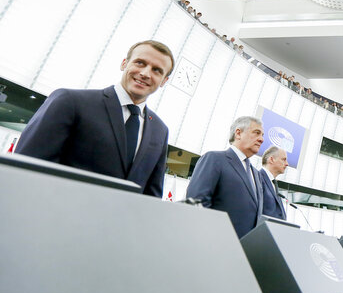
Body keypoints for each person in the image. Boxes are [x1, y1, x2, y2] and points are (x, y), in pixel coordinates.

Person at [15, 40, 174, 197]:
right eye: (140, 63)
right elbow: (25, 167)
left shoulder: (160, 131)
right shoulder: (70, 101)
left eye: (157, 70)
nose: (146, 74)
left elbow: (151, 195)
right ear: (124, 64)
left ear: (164, 81)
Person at [186, 117, 264, 238]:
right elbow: (197, 203)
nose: (261, 140)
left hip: (247, 250)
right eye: (257, 133)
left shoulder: (256, 174)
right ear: (238, 133)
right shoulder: (214, 159)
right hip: (217, 245)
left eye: (262, 135)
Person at [258, 146, 288, 220]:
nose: (287, 164)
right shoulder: (257, 178)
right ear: (271, 159)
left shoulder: (274, 184)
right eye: (283, 160)